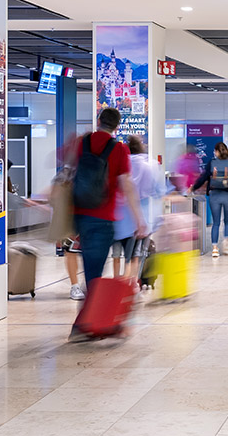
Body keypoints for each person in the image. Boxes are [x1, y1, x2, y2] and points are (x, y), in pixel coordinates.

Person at [71, 107, 147, 301]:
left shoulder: (82, 143)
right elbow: (127, 186)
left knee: (91, 271)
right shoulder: (119, 149)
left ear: (98, 121)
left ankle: (90, 308)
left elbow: (66, 169)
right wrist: (139, 219)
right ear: (117, 127)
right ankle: (91, 313)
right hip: (103, 218)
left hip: (80, 216)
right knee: (95, 275)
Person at [111, 136, 166, 285]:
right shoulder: (149, 166)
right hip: (142, 217)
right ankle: (132, 283)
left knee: (117, 254)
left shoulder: (120, 164)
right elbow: (158, 191)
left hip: (119, 217)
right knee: (136, 255)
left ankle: (116, 282)